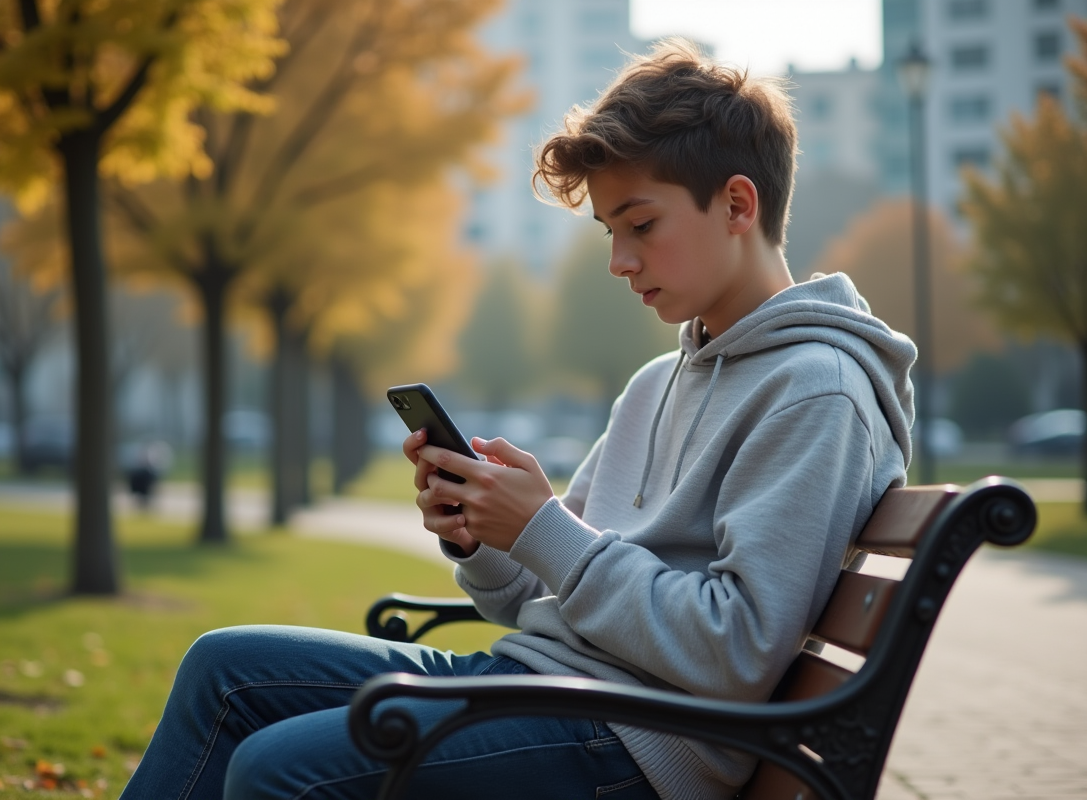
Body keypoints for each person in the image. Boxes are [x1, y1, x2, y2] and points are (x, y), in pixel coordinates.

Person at [119, 39, 915, 800]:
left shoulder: (818, 391)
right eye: (610, 232)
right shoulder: (656, 382)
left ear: (737, 202)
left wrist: (544, 529)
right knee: (220, 671)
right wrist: (485, 536)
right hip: (543, 689)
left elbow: (736, 652)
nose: (619, 262)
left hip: (635, 743)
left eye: (641, 225)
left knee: (277, 770)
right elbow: (551, 588)